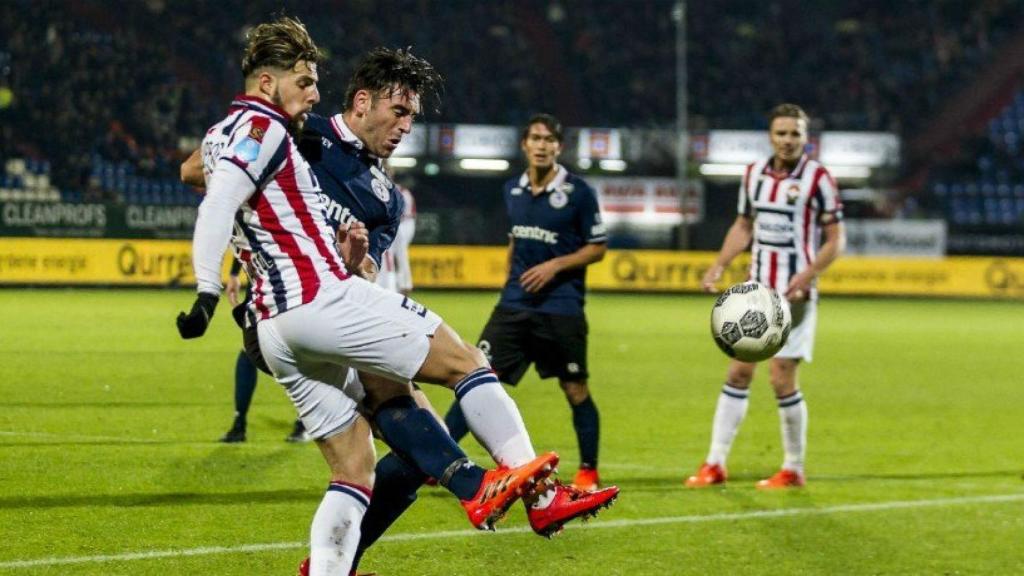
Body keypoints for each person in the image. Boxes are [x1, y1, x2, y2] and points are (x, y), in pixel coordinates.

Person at [176, 21, 562, 575]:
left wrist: (351, 254)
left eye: (412, 118)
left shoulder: (384, 197)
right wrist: (246, 232)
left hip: (306, 312)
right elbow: (199, 170)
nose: (405, 127)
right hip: (301, 302)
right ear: (362, 103)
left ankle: (335, 565)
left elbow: (367, 266)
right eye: (399, 113)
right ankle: (505, 488)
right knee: (444, 374)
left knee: (369, 461)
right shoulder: (298, 133)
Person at [443, 113, 608, 492]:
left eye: (549, 139)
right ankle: (442, 460)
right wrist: (508, 280)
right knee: (477, 377)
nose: (542, 145)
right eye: (535, 138)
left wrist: (555, 266)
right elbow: (515, 239)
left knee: (575, 388)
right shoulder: (512, 190)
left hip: (561, 308)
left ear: (559, 147)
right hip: (514, 306)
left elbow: (597, 248)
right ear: (525, 145)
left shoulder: (579, 193)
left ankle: (588, 470)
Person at [685, 103, 846, 490]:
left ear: (806, 138)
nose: (788, 140)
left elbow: (836, 240)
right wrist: (720, 265)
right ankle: (715, 463)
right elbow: (743, 225)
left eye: (795, 134)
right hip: (756, 294)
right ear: (770, 136)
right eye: (781, 133)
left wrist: (807, 276)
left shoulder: (819, 178)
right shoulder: (754, 175)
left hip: (796, 297)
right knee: (738, 371)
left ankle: (793, 467)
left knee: (781, 379)